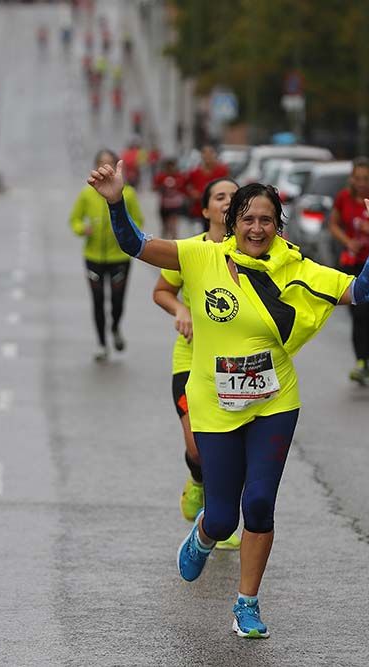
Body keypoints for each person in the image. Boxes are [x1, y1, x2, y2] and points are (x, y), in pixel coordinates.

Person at [88, 159, 369, 638]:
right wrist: (115, 202)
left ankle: (247, 603)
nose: (257, 228)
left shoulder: (294, 267)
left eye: (267, 220)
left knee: (258, 505)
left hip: (274, 402)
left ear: (278, 225)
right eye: (248, 219)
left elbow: (364, 290)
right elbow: (136, 244)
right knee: (221, 514)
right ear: (231, 222)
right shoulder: (200, 256)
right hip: (214, 403)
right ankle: (204, 536)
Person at [153, 178, 242, 551]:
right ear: (205, 209)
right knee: (197, 448)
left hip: (235, 367)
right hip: (190, 361)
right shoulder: (188, 251)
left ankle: (215, 517)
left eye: (235, 198)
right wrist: (182, 309)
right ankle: (198, 481)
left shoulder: (252, 252)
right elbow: (160, 291)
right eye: (219, 197)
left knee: (231, 448)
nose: (227, 203)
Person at [69, 150, 145, 362]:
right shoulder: (87, 194)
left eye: (109, 163)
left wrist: (124, 231)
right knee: (98, 301)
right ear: (95, 167)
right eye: (101, 163)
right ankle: (102, 344)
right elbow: (74, 220)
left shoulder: (127, 193)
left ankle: (115, 328)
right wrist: (82, 229)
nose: (105, 167)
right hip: (93, 256)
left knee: (117, 301)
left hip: (119, 257)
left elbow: (138, 220)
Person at [327, 157, 369, 386]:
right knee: (359, 315)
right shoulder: (343, 198)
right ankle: (361, 362)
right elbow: (332, 224)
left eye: (366, 178)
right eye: (358, 178)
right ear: (351, 178)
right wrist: (347, 241)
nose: (362, 182)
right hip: (351, 263)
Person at [185, 144, 230, 233]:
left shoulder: (222, 171)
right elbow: (185, 186)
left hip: (218, 210)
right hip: (199, 210)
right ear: (202, 156)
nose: (208, 157)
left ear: (215, 155)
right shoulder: (194, 172)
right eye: (205, 154)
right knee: (199, 236)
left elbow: (228, 186)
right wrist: (192, 193)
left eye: (210, 154)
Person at [152, 157, 187, 240]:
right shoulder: (161, 177)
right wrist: (162, 187)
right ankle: (164, 241)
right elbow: (154, 188)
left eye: (172, 166)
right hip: (164, 205)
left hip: (175, 205)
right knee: (165, 226)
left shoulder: (179, 176)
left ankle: (174, 241)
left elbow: (184, 188)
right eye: (168, 167)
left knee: (173, 225)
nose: (171, 169)